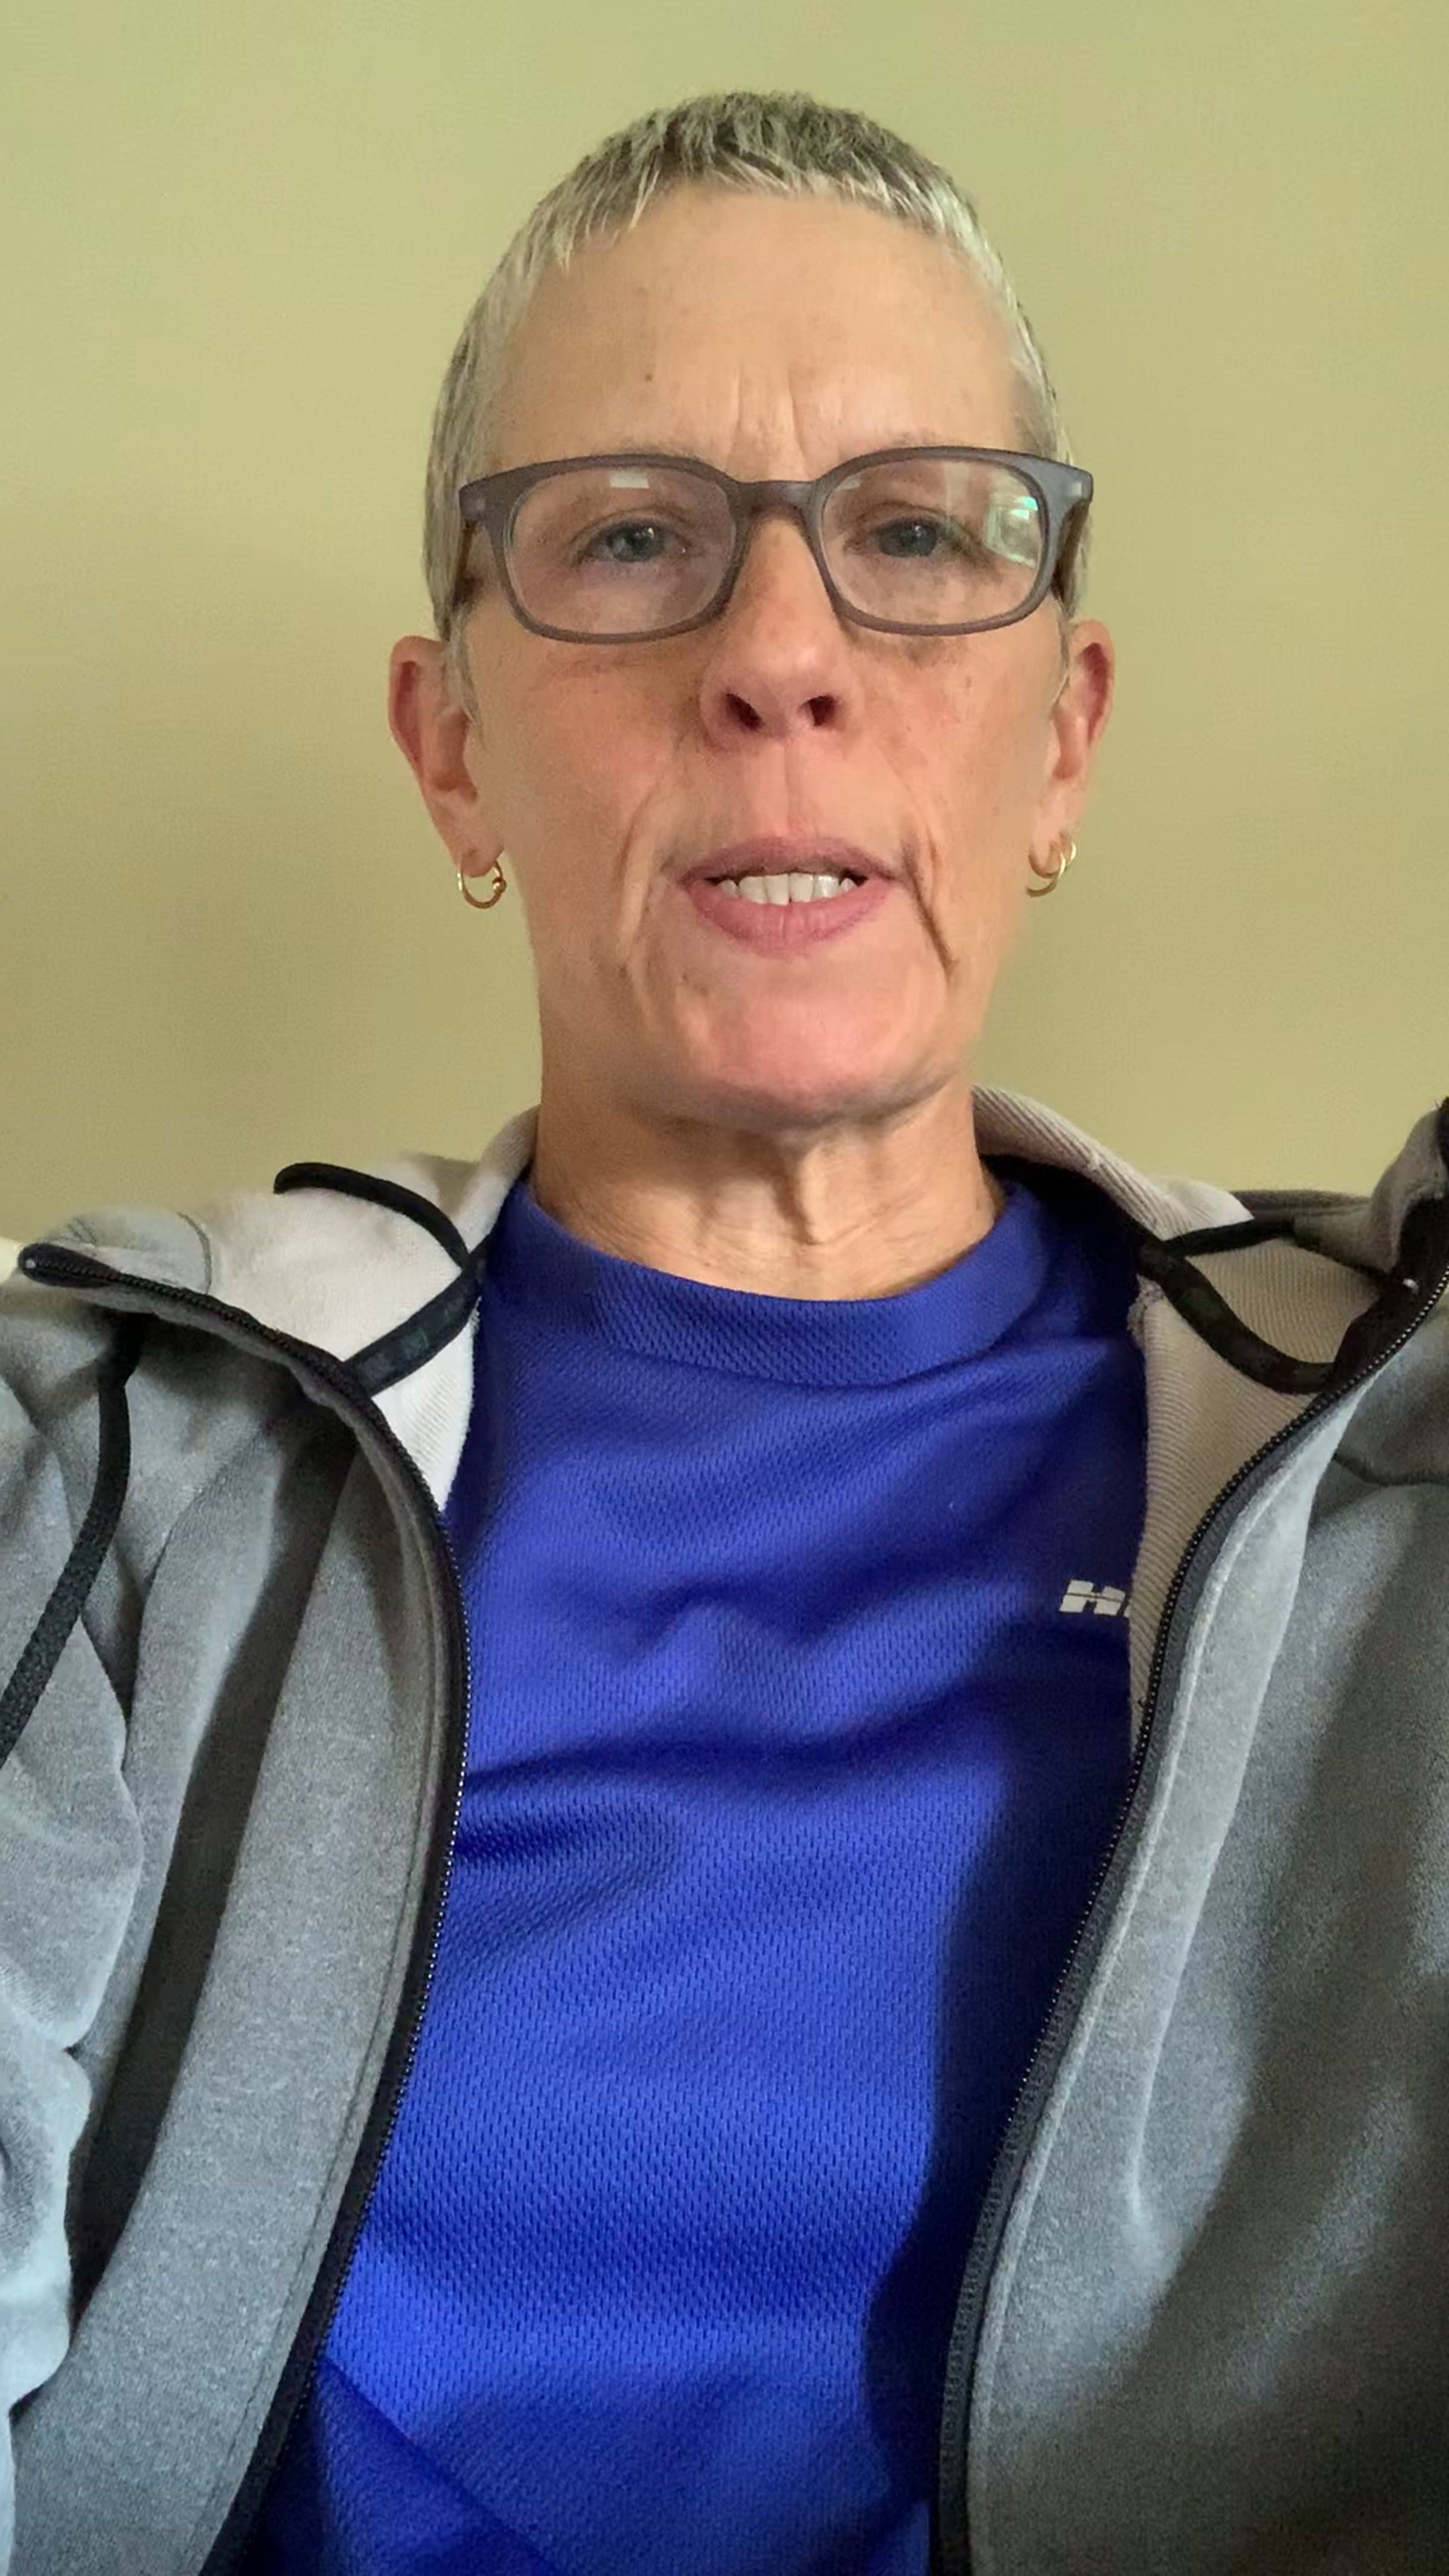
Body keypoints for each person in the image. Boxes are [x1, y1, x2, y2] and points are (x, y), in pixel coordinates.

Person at [1, 85, 1445, 2576]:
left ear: (1066, 735)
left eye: (917, 535)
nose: (781, 658)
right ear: (453, 750)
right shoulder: (102, 1454)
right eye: (632, 539)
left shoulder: (1394, 1469)